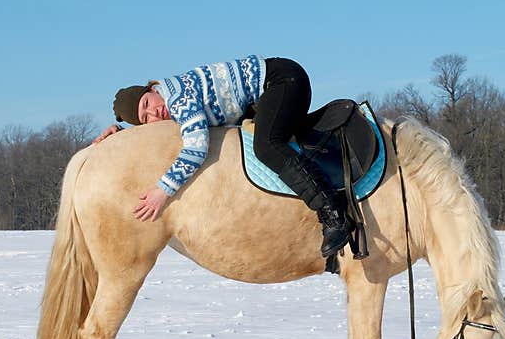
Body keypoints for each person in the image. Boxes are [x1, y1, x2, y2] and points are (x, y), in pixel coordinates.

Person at [93, 55, 354, 258]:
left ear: (151, 90)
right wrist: (122, 134)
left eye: (147, 104)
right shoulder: (171, 103)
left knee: (267, 146)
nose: (154, 113)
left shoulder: (178, 97)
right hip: (266, 93)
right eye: (145, 118)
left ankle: (333, 211)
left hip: (283, 79)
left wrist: (163, 191)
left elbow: (196, 148)